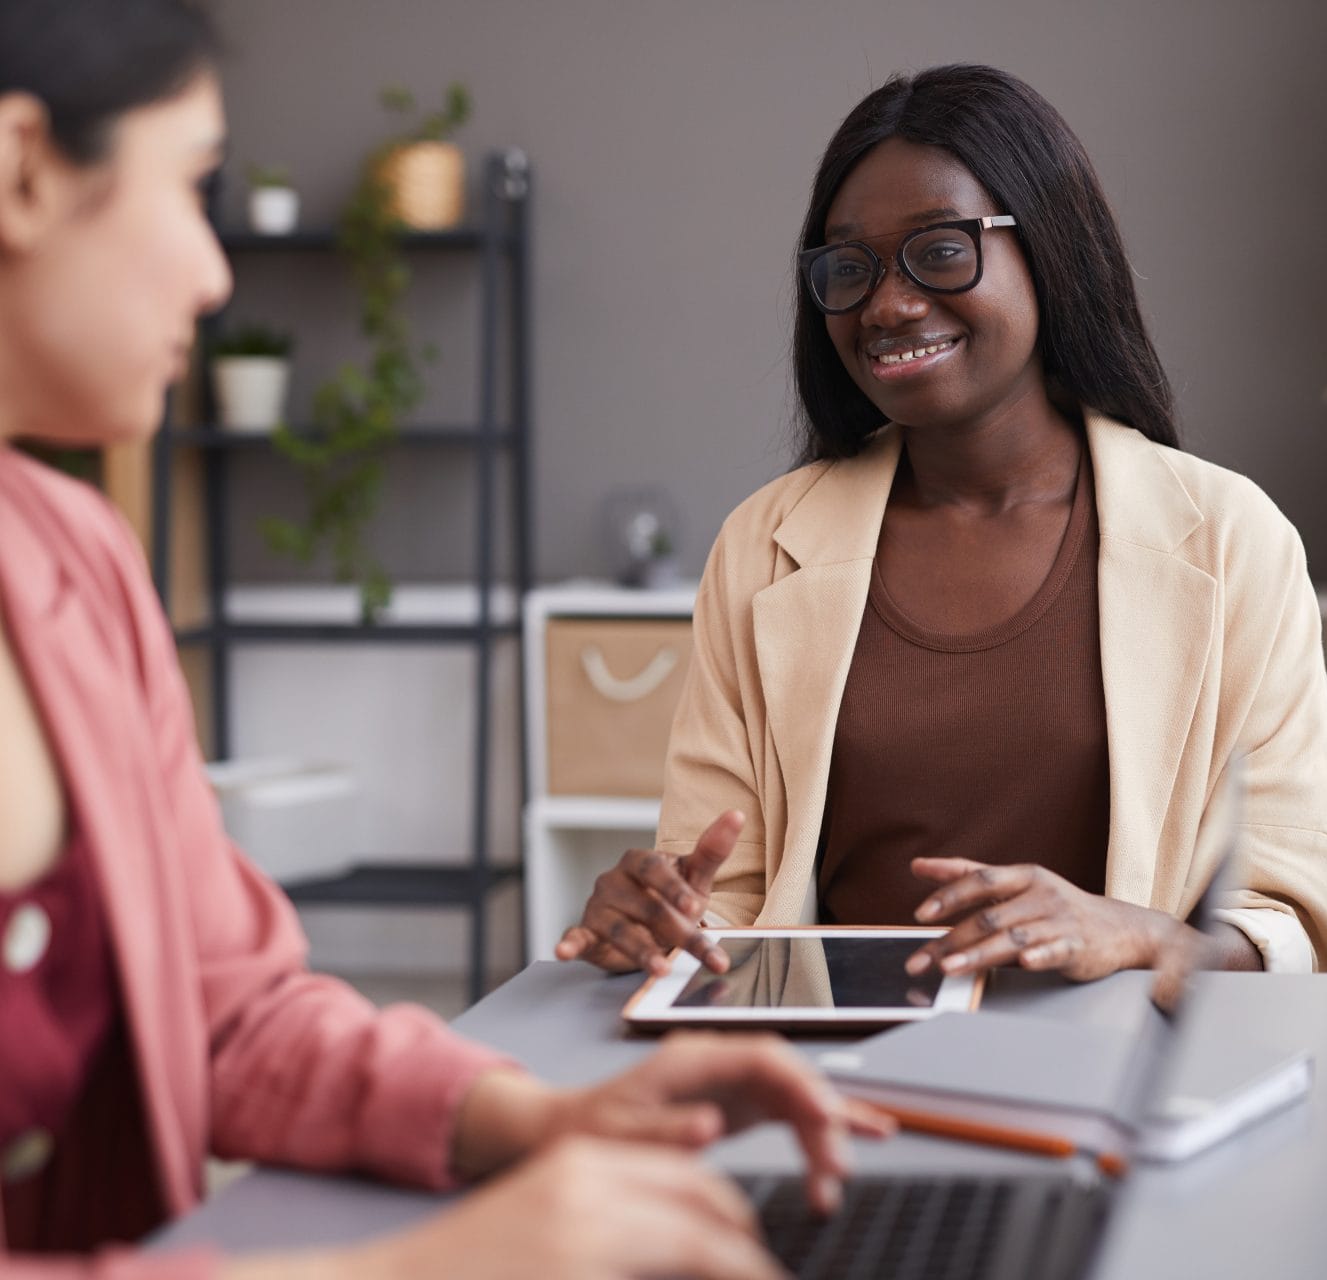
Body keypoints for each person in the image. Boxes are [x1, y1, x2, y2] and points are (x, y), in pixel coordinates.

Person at [0, 2, 891, 1275]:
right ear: (25, 168)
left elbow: (233, 1017)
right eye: (191, 184)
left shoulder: (79, 565)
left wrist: (544, 1118)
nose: (213, 271)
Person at [561, 65, 1327, 986]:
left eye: (941, 250)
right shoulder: (763, 547)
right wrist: (656, 923)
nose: (888, 305)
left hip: (1105, 1073)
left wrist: (1139, 933)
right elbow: (722, 900)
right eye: (849, 269)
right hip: (837, 1080)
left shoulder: (1230, 539)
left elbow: (1284, 911)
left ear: (1049, 249)